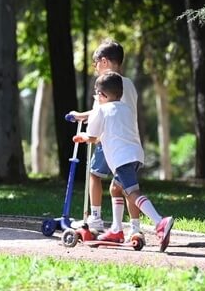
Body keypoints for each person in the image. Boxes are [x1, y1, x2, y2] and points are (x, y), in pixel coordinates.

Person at [73, 71, 175, 252]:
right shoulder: (126, 108)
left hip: (121, 160)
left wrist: (81, 136)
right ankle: (116, 230)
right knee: (115, 188)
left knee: (132, 193)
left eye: (97, 94)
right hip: (135, 155)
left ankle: (160, 221)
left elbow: (92, 136)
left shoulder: (101, 110)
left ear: (102, 96)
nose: (97, 97)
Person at [68, 39, 142, 237]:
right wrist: (82, 115)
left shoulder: (106, 85)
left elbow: (102, 113)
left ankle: (96, 217)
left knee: (94, 175)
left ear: (105, 62)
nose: (95, 68)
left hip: (106, 139)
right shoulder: (127, 85)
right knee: (124, 186)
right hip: (129, 141)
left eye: (96, 63)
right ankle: (134, 228)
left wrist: (87, 126)